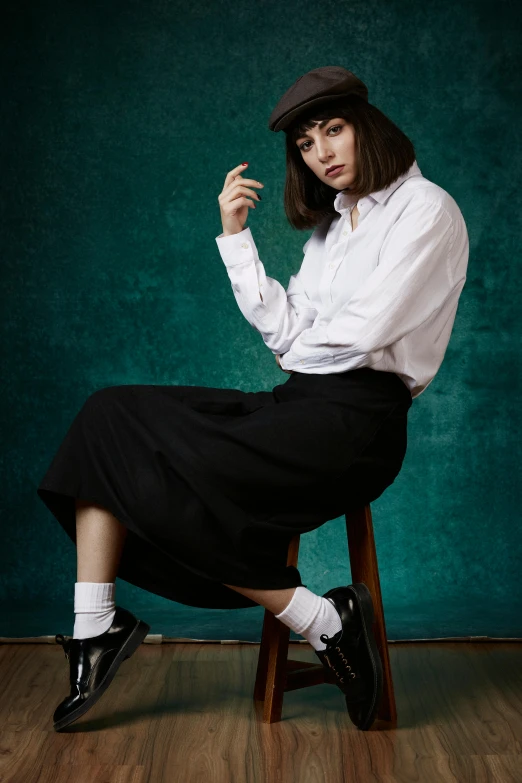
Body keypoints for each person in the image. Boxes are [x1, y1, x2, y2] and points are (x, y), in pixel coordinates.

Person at [37, 66, 469, 733]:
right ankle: (99, 625)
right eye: (305, 144)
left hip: (358, 424)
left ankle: (324, 619)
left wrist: (295, 350)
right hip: (297, 404)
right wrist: (235, 236)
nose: (322, 152)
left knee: (171, 465)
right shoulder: (332, 228)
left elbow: (366, 334)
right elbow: (286, 329)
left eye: (334, 130)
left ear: (367, 125)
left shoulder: (428, 211)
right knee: (108, 417)